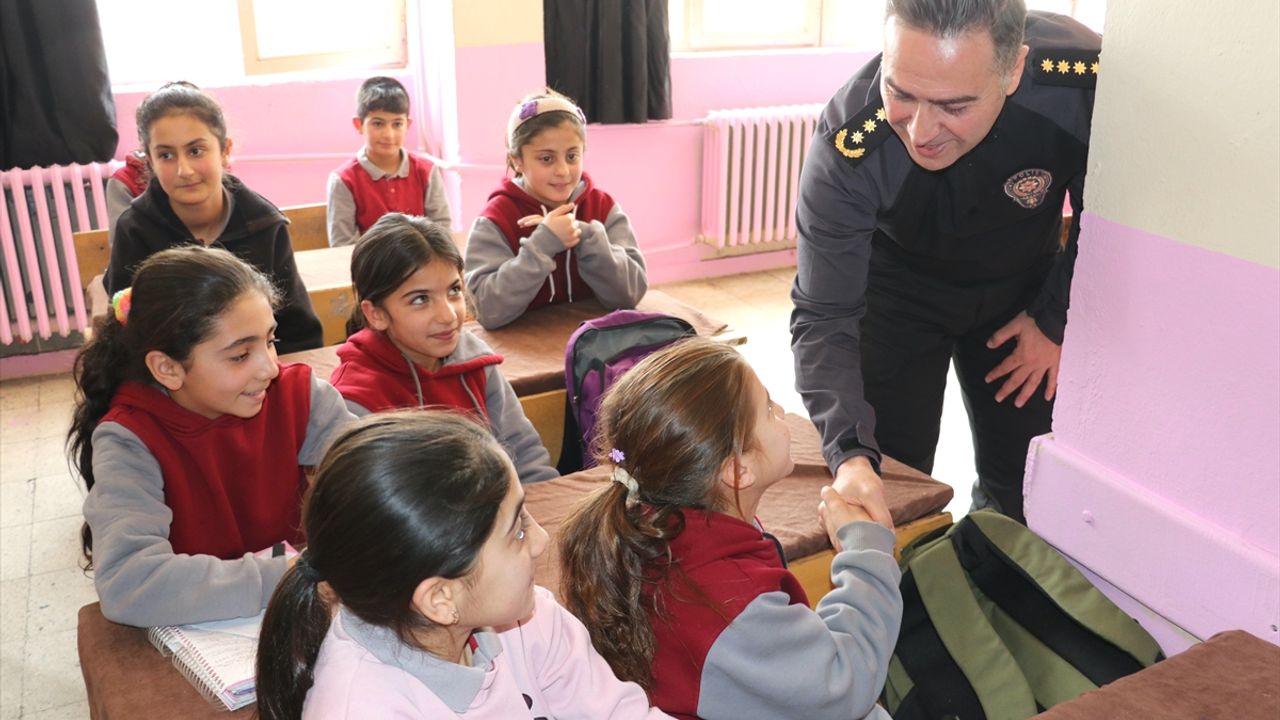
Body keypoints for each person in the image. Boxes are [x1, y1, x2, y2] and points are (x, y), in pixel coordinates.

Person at [791, 0, 1100, 525]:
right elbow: (823, 314)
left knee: (1021, 490)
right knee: (892, 485)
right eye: (900, 94)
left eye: (954, 106)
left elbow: (1114, 215)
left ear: (1014, 70)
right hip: (897, 297)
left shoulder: (1077, 85)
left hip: (1021, 293)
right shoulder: (849, 144)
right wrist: (848, 454)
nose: (920, 132)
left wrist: (1054, 317)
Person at [559, 338, 901, 720]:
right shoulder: (731, 605)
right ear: (738, 471)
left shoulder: (651, 533)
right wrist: (866, 551)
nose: (781, 411)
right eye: (768, 409)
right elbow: (843, 686)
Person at [254, 411, 673, 720]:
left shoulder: (529, 621)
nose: (542, 541)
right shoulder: (362, 709)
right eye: (518, 531)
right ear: (440, 599)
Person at [68, 246, 355, 628]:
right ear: (168, 368)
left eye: (270, 341)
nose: (270, 368)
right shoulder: (130, 439)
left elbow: (376, 478)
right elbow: (128, 582)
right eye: (240, 355)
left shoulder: (299, 395)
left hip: (294, 610)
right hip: (205, 629)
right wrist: (290, 575)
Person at [328, 213, 557, 484]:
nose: (448, 315)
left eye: (454, 290)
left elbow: (526, 458)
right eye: (420, 299)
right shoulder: (356, 401)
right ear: (375, 314)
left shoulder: (476, 361)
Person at [105, 81, 323, 354]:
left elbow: (299, 334)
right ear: (150, 161)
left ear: (224, 151)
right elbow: (126, 339)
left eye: (196, 151)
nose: (184, 170)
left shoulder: (264, 226)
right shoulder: (135, 231)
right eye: (166, 155)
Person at [464, 89, 647, 329]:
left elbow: (631, 294)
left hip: (595, 340)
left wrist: (584, 235)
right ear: (517, 161)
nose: (562, 171)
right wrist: (543, 244)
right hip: (526, 345)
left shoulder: (604, 208)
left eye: (572, 156)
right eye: (546, 159)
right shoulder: (495, 220)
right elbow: (486, 310)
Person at [326, 76, 452, 247]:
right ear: (359, 124)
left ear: (407, 125)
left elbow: (442, 233)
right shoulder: (343, 180)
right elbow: (343, 245)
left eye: (397, 124)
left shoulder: (427, 172)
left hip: (422, 262)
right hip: (370, 264)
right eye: (378, 124)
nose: (388, 134)